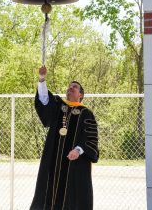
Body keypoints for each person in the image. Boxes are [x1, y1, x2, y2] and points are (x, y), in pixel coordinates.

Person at [30, 66, 99, 210]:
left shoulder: (86, 113)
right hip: (53, 162)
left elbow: (91, 139)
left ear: (81, 95)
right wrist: (42, 79)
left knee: (72, 198)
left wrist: (79, 150)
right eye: (69, 86)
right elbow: (44, 100)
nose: (70, 88)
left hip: (74, 164)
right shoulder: (58, 106)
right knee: (48, 194)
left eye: (75, 87)